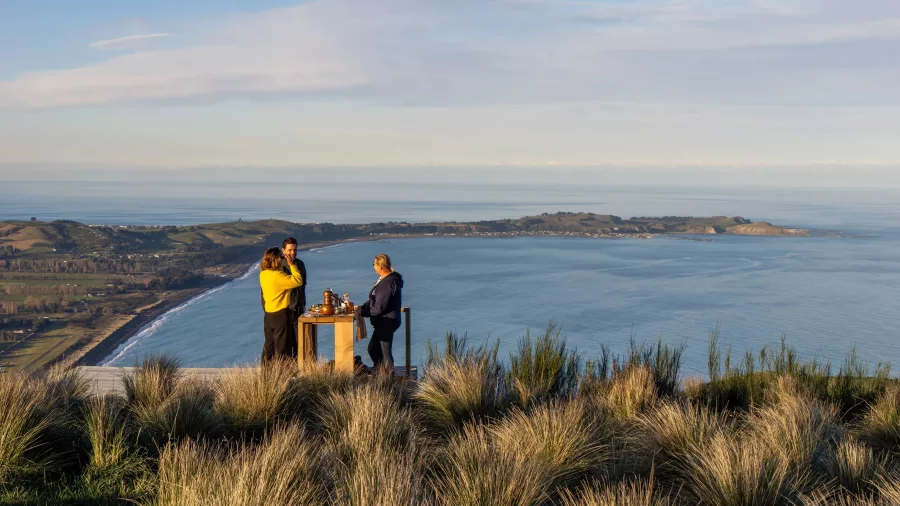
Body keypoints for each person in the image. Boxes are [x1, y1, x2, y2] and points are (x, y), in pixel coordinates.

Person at [260, 237, 308, 353]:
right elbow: (265, 291)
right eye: (290, 250)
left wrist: (301, 306)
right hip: (283, 312)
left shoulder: (299, 264)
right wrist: (267, 308)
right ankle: (281, 369)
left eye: (295, 250)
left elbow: (301, 288)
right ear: (283, 250)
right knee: (282, 345)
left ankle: (297, 369)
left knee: (298, 344)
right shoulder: (276, 267)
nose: (293, 253)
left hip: (296, 310)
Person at [358, 253, 403, 374]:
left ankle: (387, 376)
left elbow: (379, 307)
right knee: (375, 349)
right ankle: (382, 372)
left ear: (381, 266)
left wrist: (363, 312)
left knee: (383, 351)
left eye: (374, 264)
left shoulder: (387, 283)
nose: (373, 266)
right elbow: (374, 299)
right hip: (385, 321)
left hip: (386, 321)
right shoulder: (386, 280)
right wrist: (362, 307)